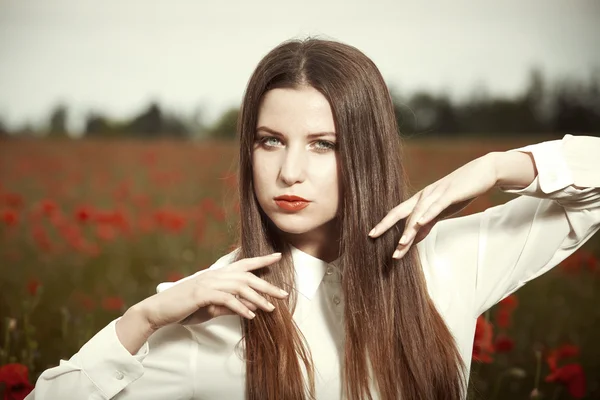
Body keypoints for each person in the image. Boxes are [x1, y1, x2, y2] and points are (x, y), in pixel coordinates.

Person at [26, 38, 600, 400]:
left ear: (367, 152)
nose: (290, 172)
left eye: (323, 144)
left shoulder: (447, 259)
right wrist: (145, 317)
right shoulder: (220, 311)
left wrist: (500, 167)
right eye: (271, 141)